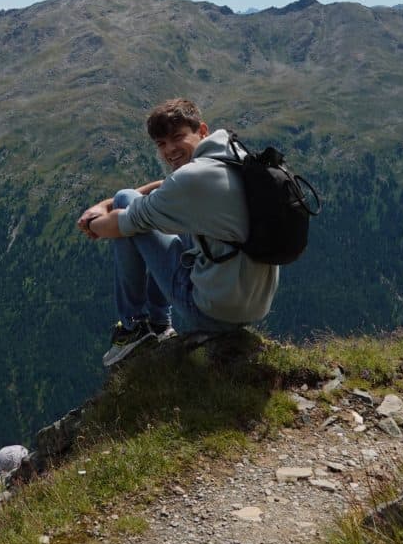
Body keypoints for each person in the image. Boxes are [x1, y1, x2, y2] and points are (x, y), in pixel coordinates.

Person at [77, 99, 279, 366]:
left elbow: (121, 224)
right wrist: (105, 205)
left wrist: (91, 224)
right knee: (126, 200)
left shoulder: (191, 180)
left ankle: (135, 326)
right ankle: (157, 322)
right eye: (161, 144)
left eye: (177, 137)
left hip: (215, 313)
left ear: (202, 130)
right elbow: (167, 186)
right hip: (254, 303)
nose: (170, 149)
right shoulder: (235, 157)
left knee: (126, 201)